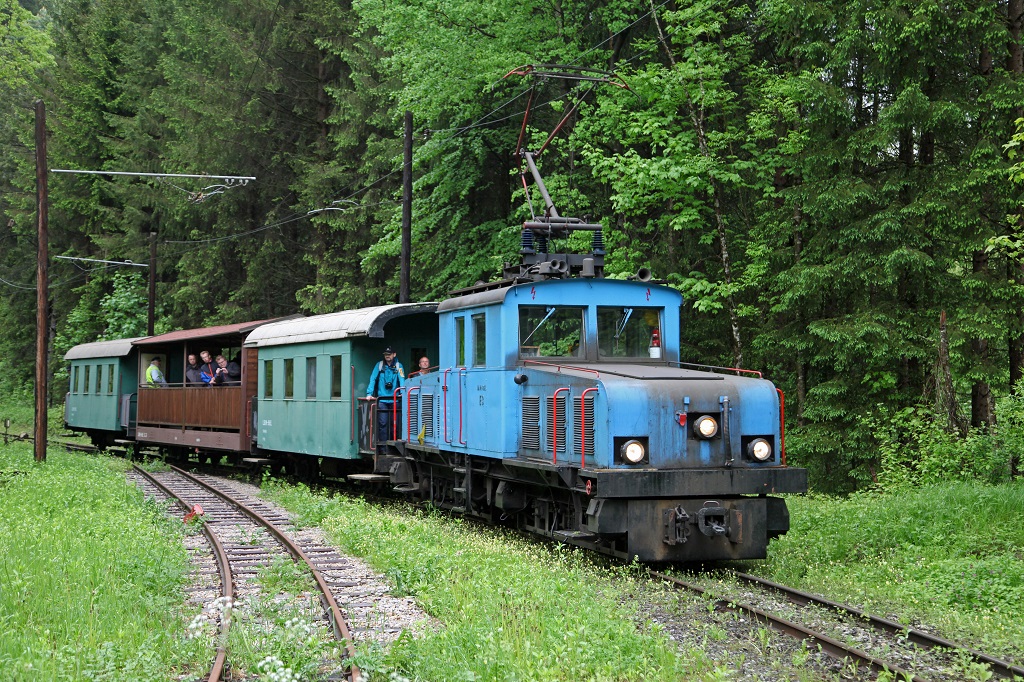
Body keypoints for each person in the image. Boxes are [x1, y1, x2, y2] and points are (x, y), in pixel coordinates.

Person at [366, 346, 405, 447]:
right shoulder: (379, 365)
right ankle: (383, 447)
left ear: (394, 354)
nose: (387, 356)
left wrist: (402, 392)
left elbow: (402, 379)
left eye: (389, 354)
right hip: (382, 400)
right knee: (382, 424)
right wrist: (369, 394)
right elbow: (373, 379)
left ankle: (394, 447)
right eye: (386, 354)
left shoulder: (398, 366)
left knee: (394, 424)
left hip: (395, 400)